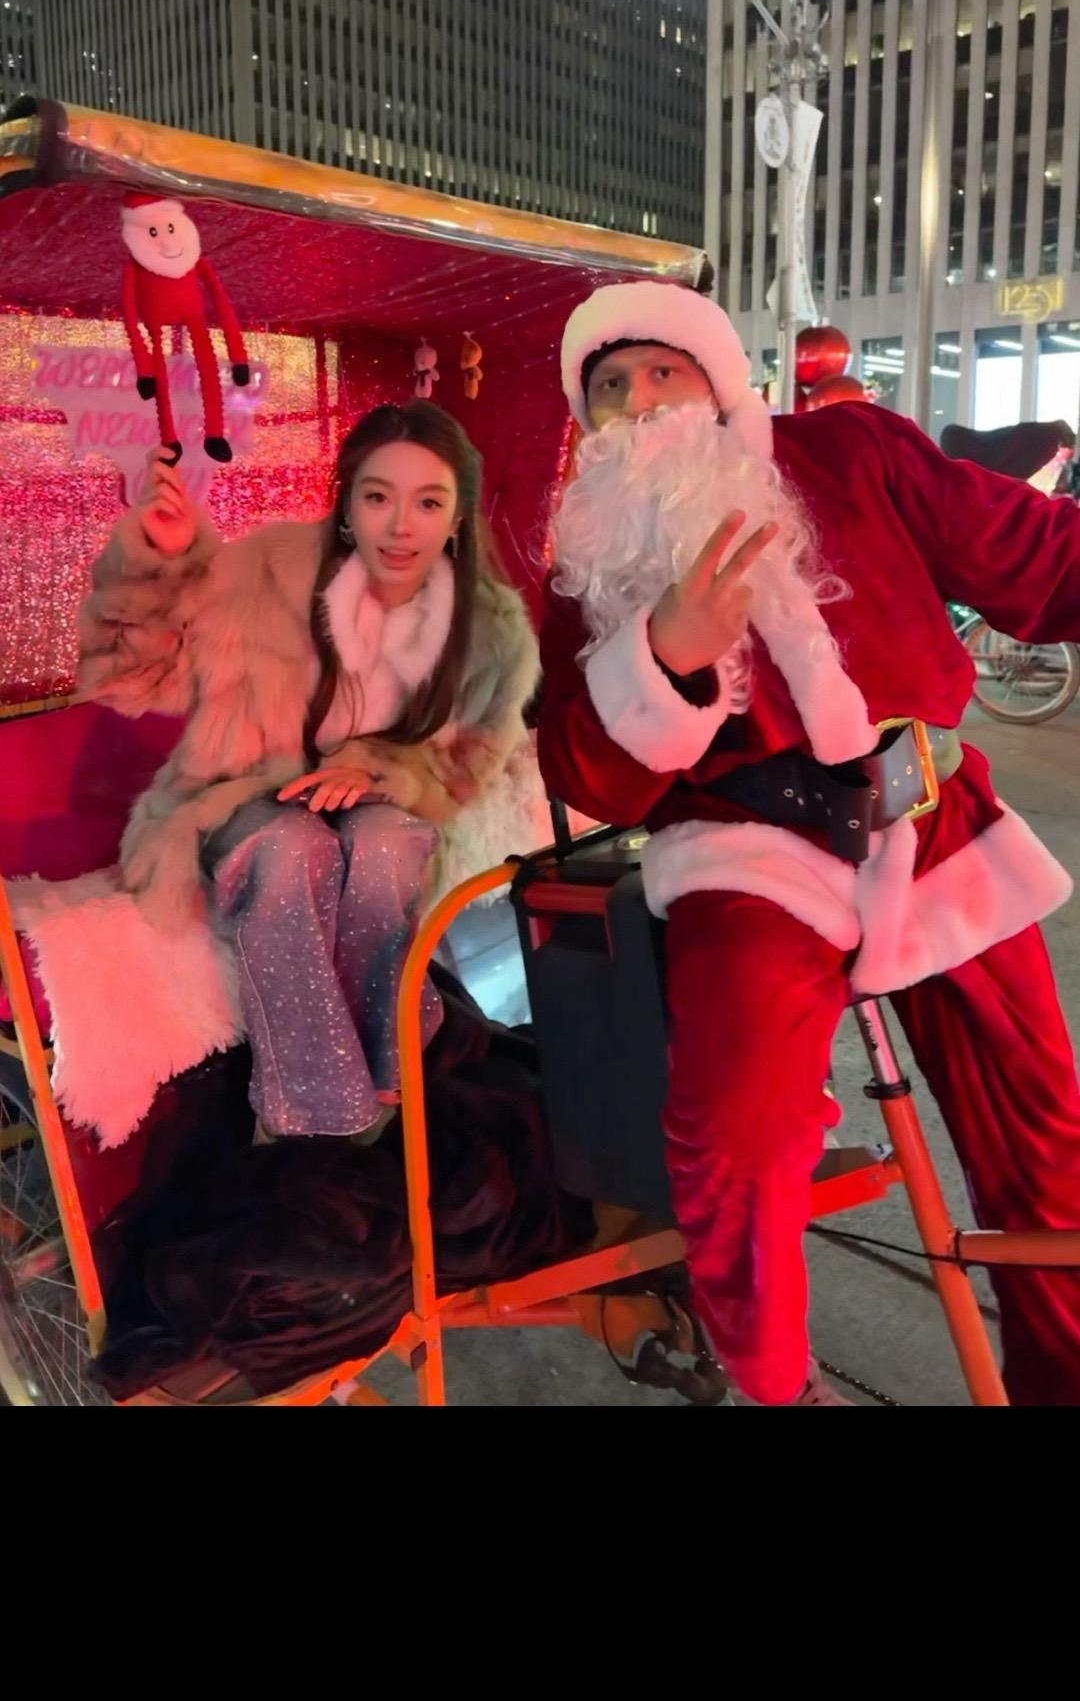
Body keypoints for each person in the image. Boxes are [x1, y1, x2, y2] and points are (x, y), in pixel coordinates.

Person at [537, 279, 1080, 1407]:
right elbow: (585, 773)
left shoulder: (849, 452)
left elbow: (1034, 559)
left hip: (932, 822)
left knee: (1045, 1136)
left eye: (663, 369)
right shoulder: (591, 557)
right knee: (733, 1138)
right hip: (747, 858)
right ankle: (780, 1384)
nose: (641, 399)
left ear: (719, 380)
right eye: (611, 385)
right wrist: (668, 652)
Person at [76, 401, 539, 1138]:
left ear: (457, 517)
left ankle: (390, 1078)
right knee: (294, 848)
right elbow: (133, 681)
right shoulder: (266, 571)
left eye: (428, 503)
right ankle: (316, 1121)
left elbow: (463, 769)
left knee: (386, 845)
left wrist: (378, 770)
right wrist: (160, 564)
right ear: (348, 503)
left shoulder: (491, 629)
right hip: (238, 801)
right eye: (379, 497)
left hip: (383, 809)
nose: (401, 526)